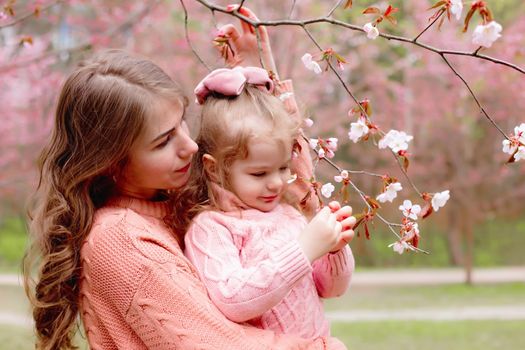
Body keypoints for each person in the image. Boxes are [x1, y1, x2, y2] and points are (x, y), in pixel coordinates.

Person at [22, 11, 354, 349]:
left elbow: (266, 161)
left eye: (182, 122)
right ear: (112, 163)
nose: (190, 145)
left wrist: (255, 79)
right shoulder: (121, 239)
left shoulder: (176, 203)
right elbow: (215, 343)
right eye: (164, 140)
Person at [171, 66, 355, 341]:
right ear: (213, 168)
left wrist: (334, 251)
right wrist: (304, 249)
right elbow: (232, 300)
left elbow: (331, 289)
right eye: (259, 173)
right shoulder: (213, 228)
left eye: (282, 168)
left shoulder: (289, 216)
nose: (276, 183)